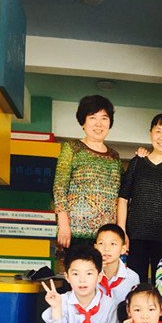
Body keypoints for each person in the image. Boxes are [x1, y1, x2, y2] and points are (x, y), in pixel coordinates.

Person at [117, 113, 162, 282]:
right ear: (150, 133)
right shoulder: (137, 163)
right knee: (135, 283)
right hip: (135, 236)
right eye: (158, 131)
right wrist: (122, 231)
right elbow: (123, 199)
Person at [53, 95, 123, 247]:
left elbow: (120, 196)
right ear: (83, 122)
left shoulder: (115, 156)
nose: (99, 123)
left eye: (104, 118)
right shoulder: (72, 148)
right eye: (92, 117)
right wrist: (63, 224)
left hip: (105, 237)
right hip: (75, 232)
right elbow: (59, 187)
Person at [94, 223, 139, 304]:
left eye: (113, 244)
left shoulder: (132, 278)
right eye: (101, 243)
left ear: (123, 249)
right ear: (95, 247)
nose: (106, 248)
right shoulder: (89, 275)